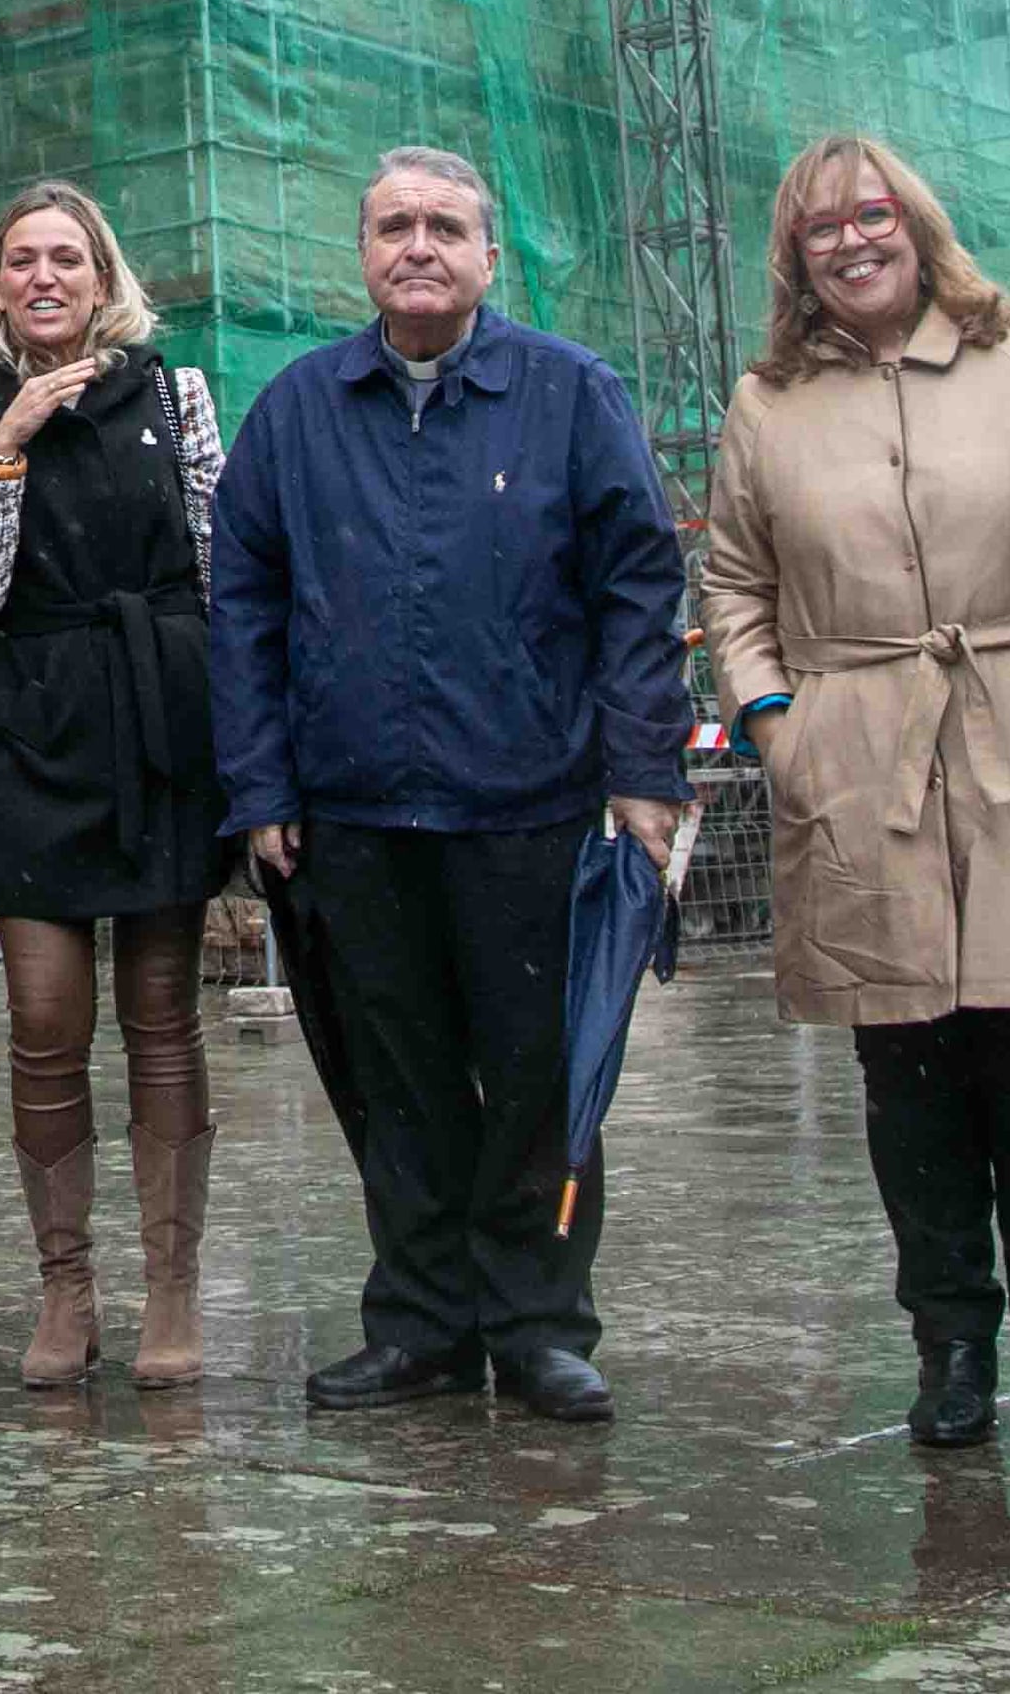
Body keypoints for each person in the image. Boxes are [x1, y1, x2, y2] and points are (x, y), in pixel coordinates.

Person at [697, 131, 1010, 1455]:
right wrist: (777, 724)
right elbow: (733, 583)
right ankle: (952, 1346)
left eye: (870, 215)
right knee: (907, 1084)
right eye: (818, 230)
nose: (850, 242)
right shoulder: (767, 402)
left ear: (917, 220)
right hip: (856, 753)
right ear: (795, 259)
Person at [207, 145, 691, 1423]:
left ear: (489, 258)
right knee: (395, 1084)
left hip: (526, 806)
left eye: (442, 227)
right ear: (360, 255)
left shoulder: (570, 395)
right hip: (353, 818)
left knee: (537, 1081)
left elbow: (639, 587)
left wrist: (643, 767)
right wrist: (260, 787)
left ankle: (537, 1325)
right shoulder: (298, 410)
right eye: (390, 227)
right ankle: (419, 1322)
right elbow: (243, 606)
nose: (415, 246)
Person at [0, 179, 229, 1390]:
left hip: (159, 714)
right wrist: (12, 445)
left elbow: (218, 561)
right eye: (19, 262)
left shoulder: (177, 394)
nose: (42, 278)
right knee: (44, 1020)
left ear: (103, 279)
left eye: (66, 259)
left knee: (161, 1014)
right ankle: (64, 1290)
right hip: (34, 723)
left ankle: (170, 1290)